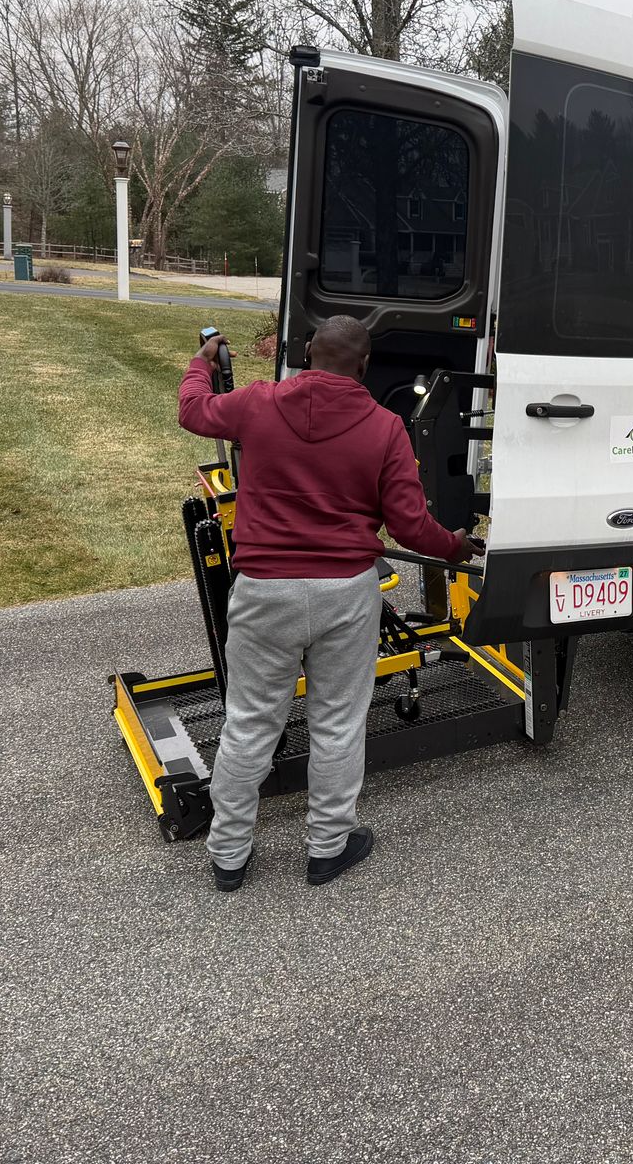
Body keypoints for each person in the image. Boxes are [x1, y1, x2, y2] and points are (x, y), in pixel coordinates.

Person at [178, 317, 476, 893]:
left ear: (308, 352)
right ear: (363, 366)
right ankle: (328, 847)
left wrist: (203, 362)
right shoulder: (387, 427)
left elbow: (192, 409)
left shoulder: (259, 404)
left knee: (247, 725)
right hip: (346, 592)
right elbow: (411, 526)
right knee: (337, 723)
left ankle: (229, 856)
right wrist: (456, 547)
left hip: (265, 591)